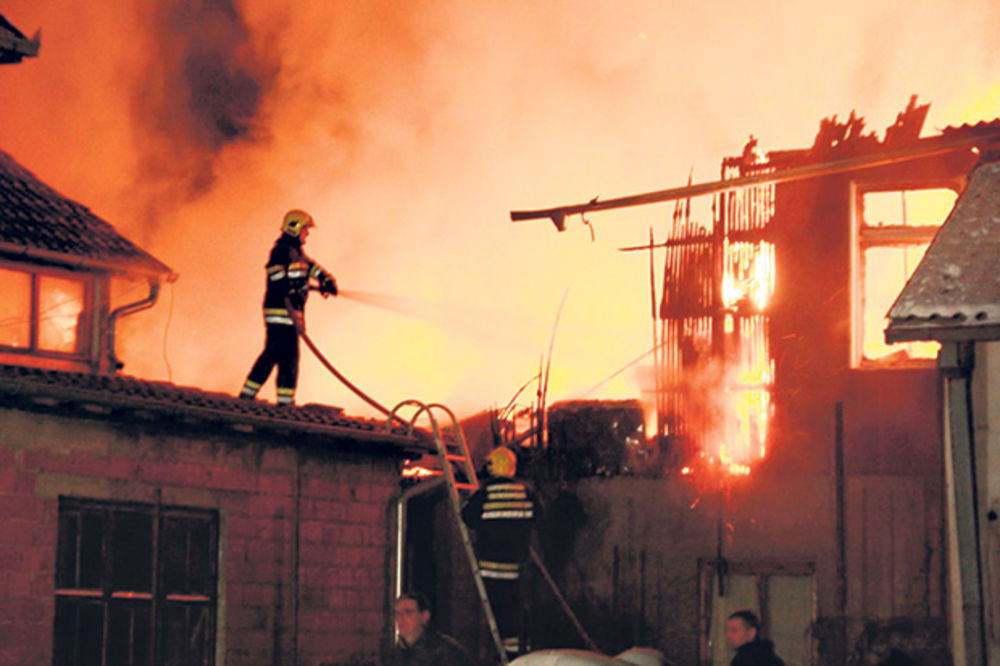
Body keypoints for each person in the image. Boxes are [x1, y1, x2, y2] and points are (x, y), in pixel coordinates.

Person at [239, 209, 337, 405]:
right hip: (280, 313)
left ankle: (278, 400)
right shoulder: (281, 251)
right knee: (278, 355)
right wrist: (294, 289)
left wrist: (326, 280)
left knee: (284, 357)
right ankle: (253, 398)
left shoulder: (297, 253)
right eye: (305, 230)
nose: (307, 234)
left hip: (291, 313)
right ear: (295, 228)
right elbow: (276, 278)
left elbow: (311, 267)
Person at [461, 445, 539, 660]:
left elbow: (467, 517)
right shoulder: (525, 492)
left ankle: (496, 657)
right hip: (517, 568)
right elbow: (537, 516)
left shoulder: (486, 493)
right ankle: (516, 656)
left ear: (493, 467)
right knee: (513, 614)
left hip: (490, 568)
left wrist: (472, 500)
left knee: (493, 616)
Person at [385, 591, 474, 666]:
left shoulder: (446, 652)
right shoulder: (397, 653)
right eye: (397, 613)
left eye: (408, 613)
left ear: (425, 616)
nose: (400, 619)